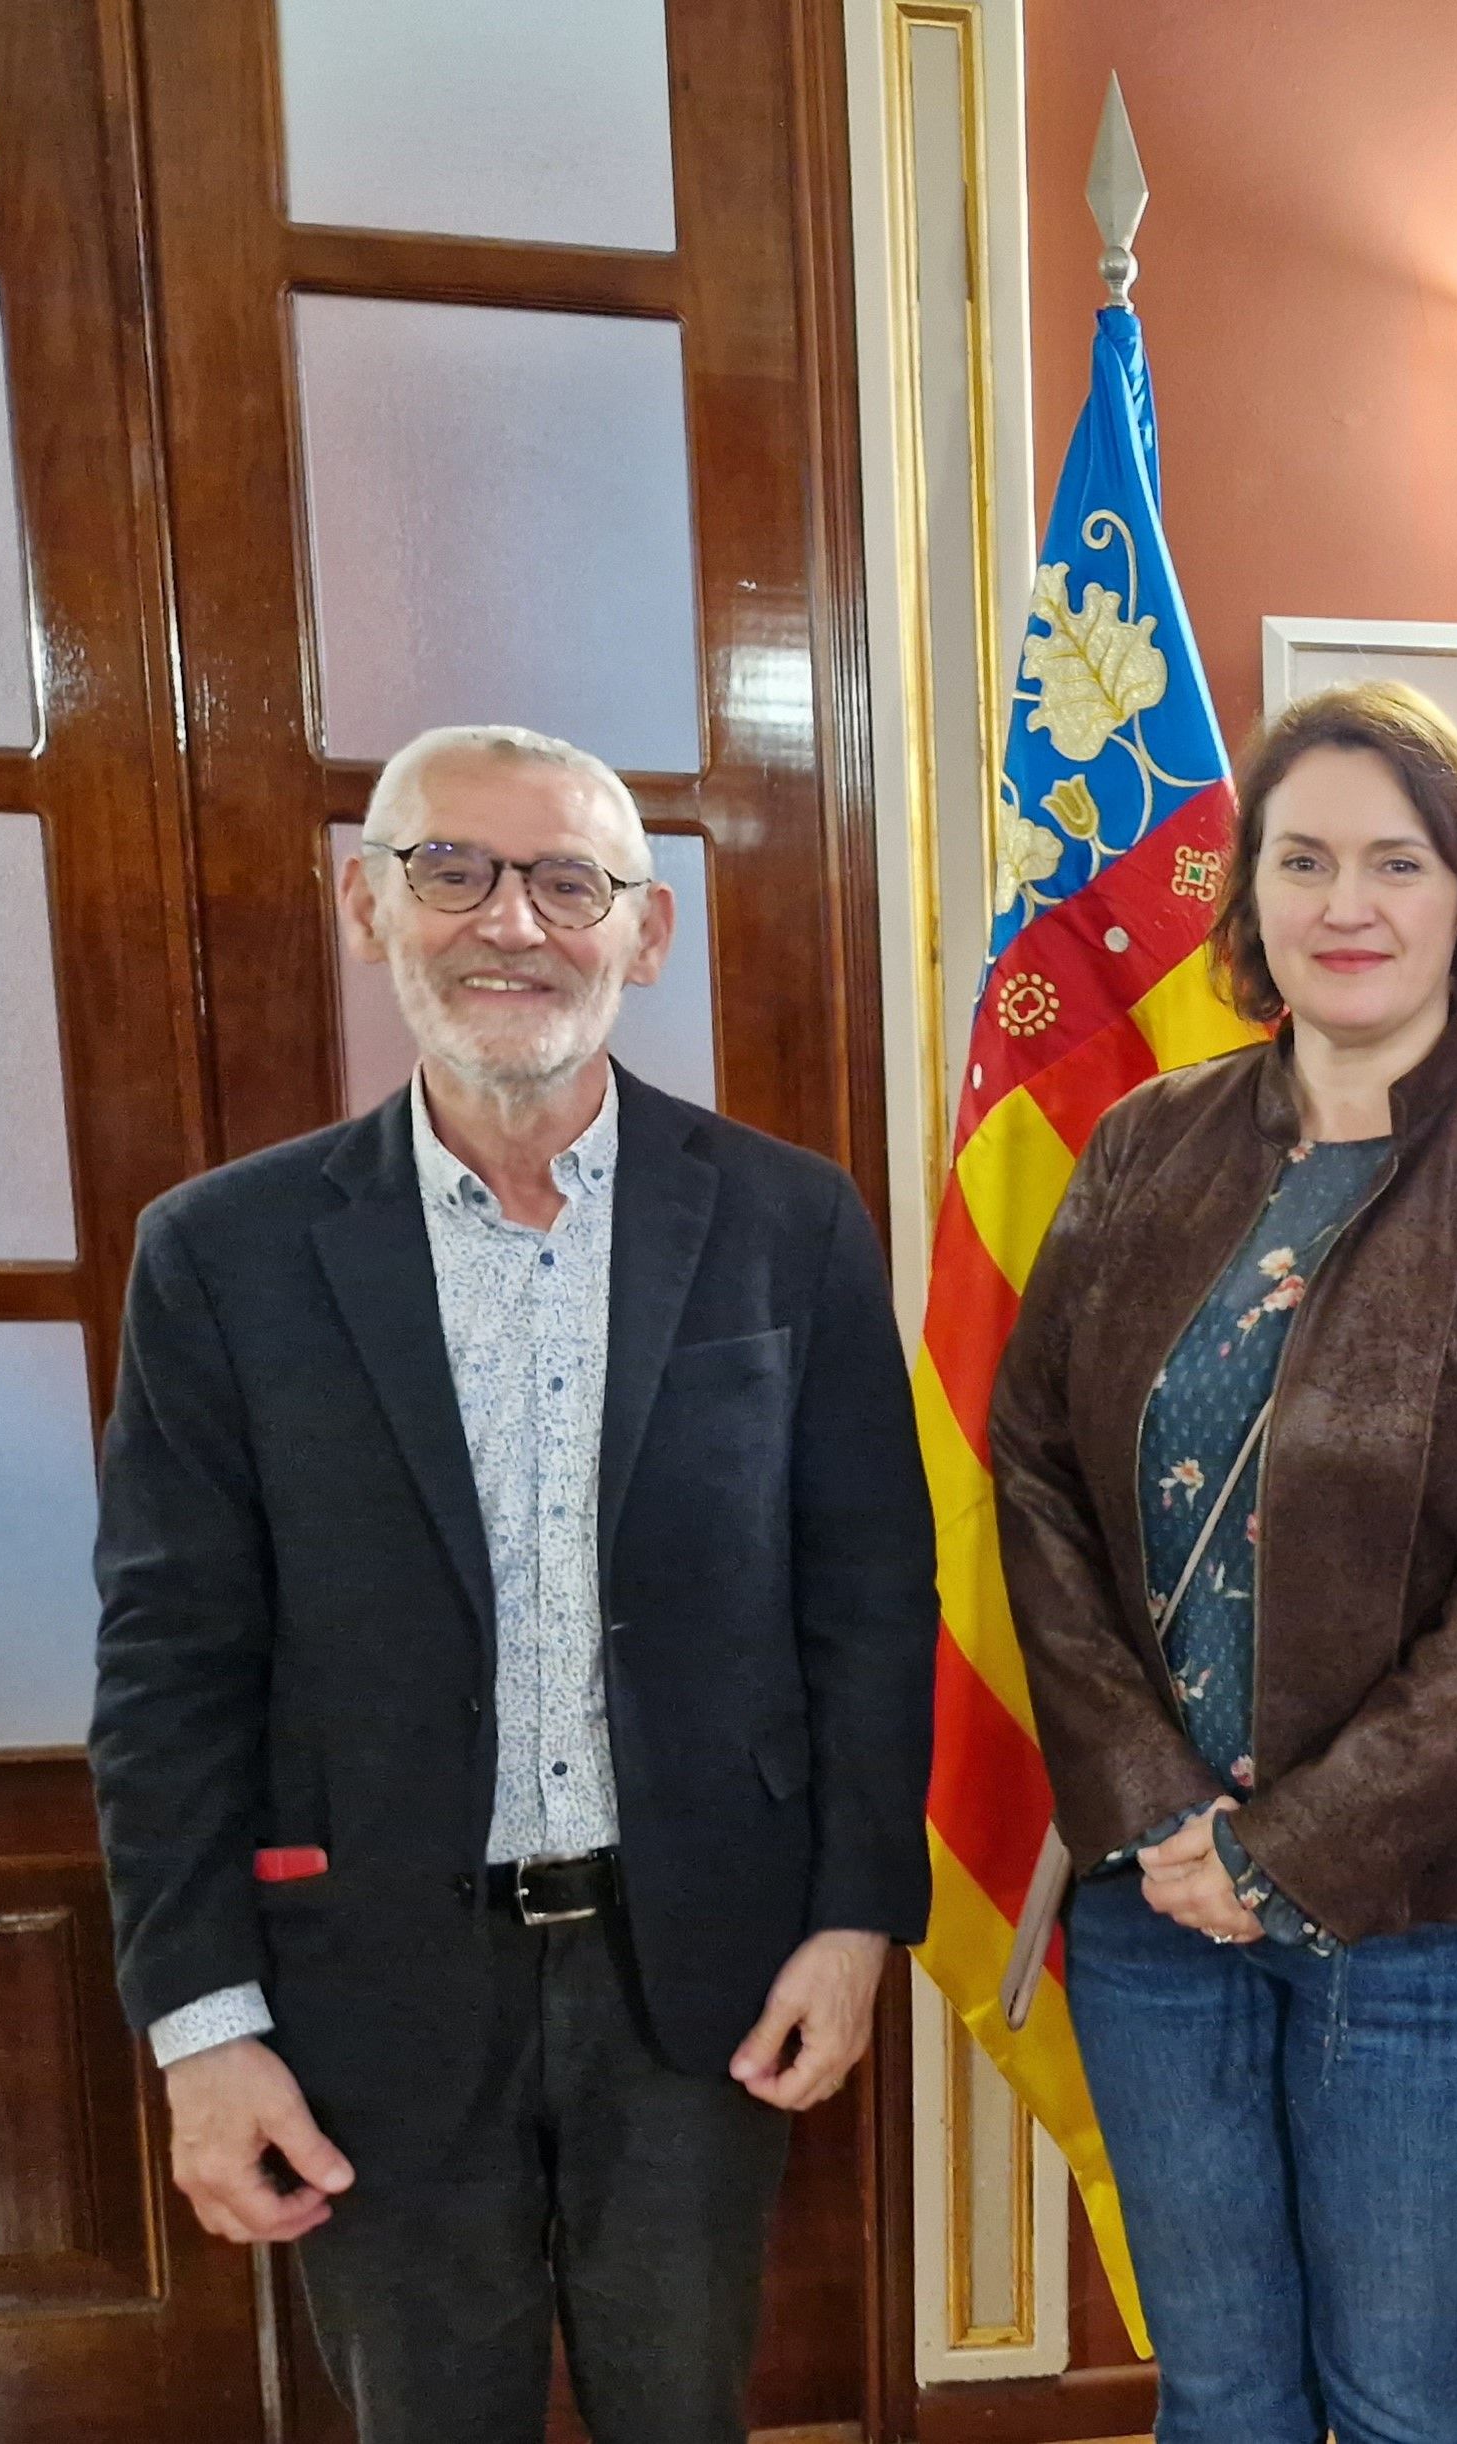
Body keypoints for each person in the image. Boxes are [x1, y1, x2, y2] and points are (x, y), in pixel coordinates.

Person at [90, 723, 934, 2443]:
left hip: (699, 1977)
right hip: (368, 1989)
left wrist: (856, 1917)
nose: (512, 925)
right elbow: (170, 1663)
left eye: (569, 882)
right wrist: (201, 2026)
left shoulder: (793, 1222)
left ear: (644, 930)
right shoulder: (222, 1257)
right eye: (452, 871)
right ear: (367, 907)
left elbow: (867, 1598)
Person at [988, 681, 1457, 2444]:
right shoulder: (1145, 1146)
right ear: (1254, 900)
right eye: (1303, 861)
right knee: (1217, 2390)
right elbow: (1040, 1471)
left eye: (1395, 861)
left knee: (1400, 2394)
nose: (1345, 904)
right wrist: (1157, 1813)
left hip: (1447, 1913)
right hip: (1154, 1901)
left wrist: (1289, 1845)